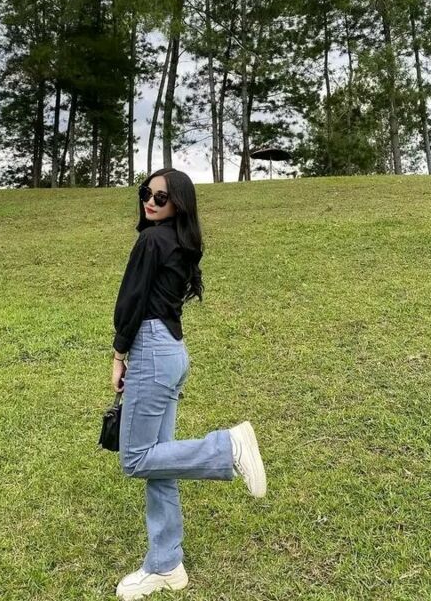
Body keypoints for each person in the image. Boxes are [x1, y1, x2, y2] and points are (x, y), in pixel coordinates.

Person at [111, 167, 267, 601]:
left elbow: (131, 302)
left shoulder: (151, 241)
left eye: (161, 197)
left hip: (151, 351)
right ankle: (166, 565)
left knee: (136, 458)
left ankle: (227, 447)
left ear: (178, 203)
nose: (150, 201)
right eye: (147, 193)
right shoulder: (181, 241)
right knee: (160, 461)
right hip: (172, 351)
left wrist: (119, 355)